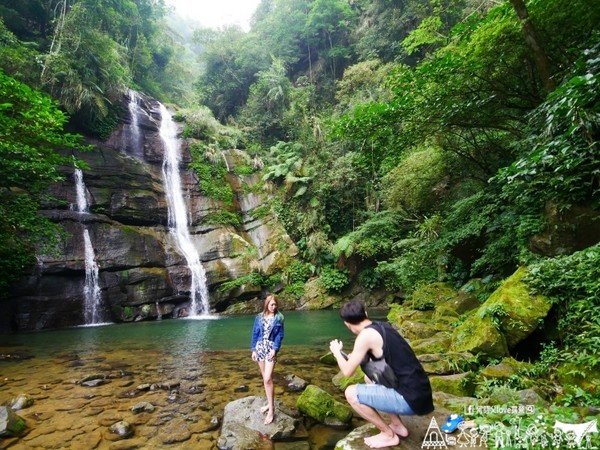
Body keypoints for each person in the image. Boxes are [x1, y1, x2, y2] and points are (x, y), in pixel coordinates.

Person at [329, 300, 434, 449]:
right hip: (421, 393)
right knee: (369, 377)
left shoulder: (364, 337)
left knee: (351, 393)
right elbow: (377, 360)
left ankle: (388, 435)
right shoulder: (383, 327)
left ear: (347, 324)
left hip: (410, 400)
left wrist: (337, 352)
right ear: (366, 314)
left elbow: (347, 372)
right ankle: (397, 425)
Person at [251, 294, 285, 425]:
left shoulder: (279, 318)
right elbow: (255, 333)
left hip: (271, 349)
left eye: (275, 305)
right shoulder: (259, 317)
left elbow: (280, 336)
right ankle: (269, 404)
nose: (274, 307)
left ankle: (271, 410)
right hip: (260, 347)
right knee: (265, 380)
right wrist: (253, 349)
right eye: (271, 304)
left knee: (267, 378)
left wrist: (275, 349)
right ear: (266, 304)